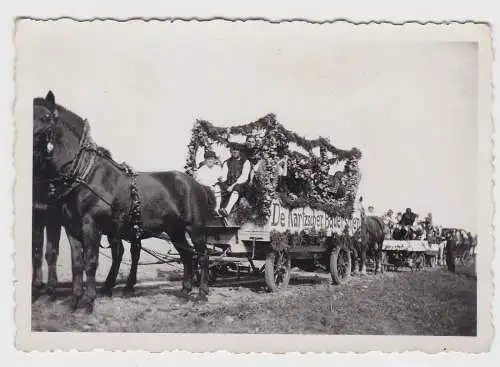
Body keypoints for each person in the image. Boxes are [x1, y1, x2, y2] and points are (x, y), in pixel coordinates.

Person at [218, 142, 251, 217]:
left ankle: (227, 210)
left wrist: (232, 186)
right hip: (229, 184)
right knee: (217, 186)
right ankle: (216, 210)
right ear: (231, 151)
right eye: (233, 150)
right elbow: (224, 176)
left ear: (239, 151)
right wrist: (221, 179)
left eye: (237, 150)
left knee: (237, 188)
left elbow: (244, 177)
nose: (235, 152)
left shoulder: (245, 162)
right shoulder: (227, 162)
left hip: (241, 185)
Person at [194, 150, 223, 215]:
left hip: (215, 186)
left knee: (217, 189)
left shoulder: (218, 168)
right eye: (208, 159)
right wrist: (208, 186)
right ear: (205, 160)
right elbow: (199, 181)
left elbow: (220, 178)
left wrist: (220, 180)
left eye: (212, 159)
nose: (210, 161)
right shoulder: (201, 169)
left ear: (214, 160)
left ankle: (217, 209)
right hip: (205, 187)